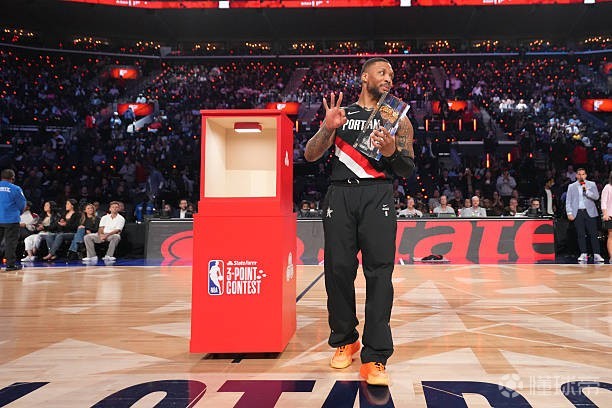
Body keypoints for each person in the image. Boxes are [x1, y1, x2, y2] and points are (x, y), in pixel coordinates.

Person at [303, 58, 415, 386]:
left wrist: (392, 152)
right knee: (338, 270)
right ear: (364, 77)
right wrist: (327, 128)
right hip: (340, 194)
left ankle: (376, 356)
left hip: (378, 195)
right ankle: (345, 340)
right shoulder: (342, 114)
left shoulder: (397, 117)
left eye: (391, 74)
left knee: (379, 274)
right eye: (382, 72)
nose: (388, 78)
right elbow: (310, 154)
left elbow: (407, 168)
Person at [565, 168, 603, 263]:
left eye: (583, 174)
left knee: (593, 234)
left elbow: (596, 197)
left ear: (585, 175)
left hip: (590, 212)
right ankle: (583, 253)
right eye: (579, 174)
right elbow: (568, 200)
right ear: (576, 175)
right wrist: (569, 212)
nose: (581, 176)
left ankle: (597, 254)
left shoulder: (591, 184)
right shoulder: (571, 186)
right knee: (580, 234)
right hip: (578, 212)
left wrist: (587, 191)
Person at [0, 169, 27, 271]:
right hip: (11, 219)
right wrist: (18, 213)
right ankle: (10, 265)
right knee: (10, 243)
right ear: (12, 178)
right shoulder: (15, 188)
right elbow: (22, 204)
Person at [600, 171, 612, 263]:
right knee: (611, 236)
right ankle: (611, 256)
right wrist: (605, 214)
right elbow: (603, 202)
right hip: (610, 215)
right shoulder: (608, 187)